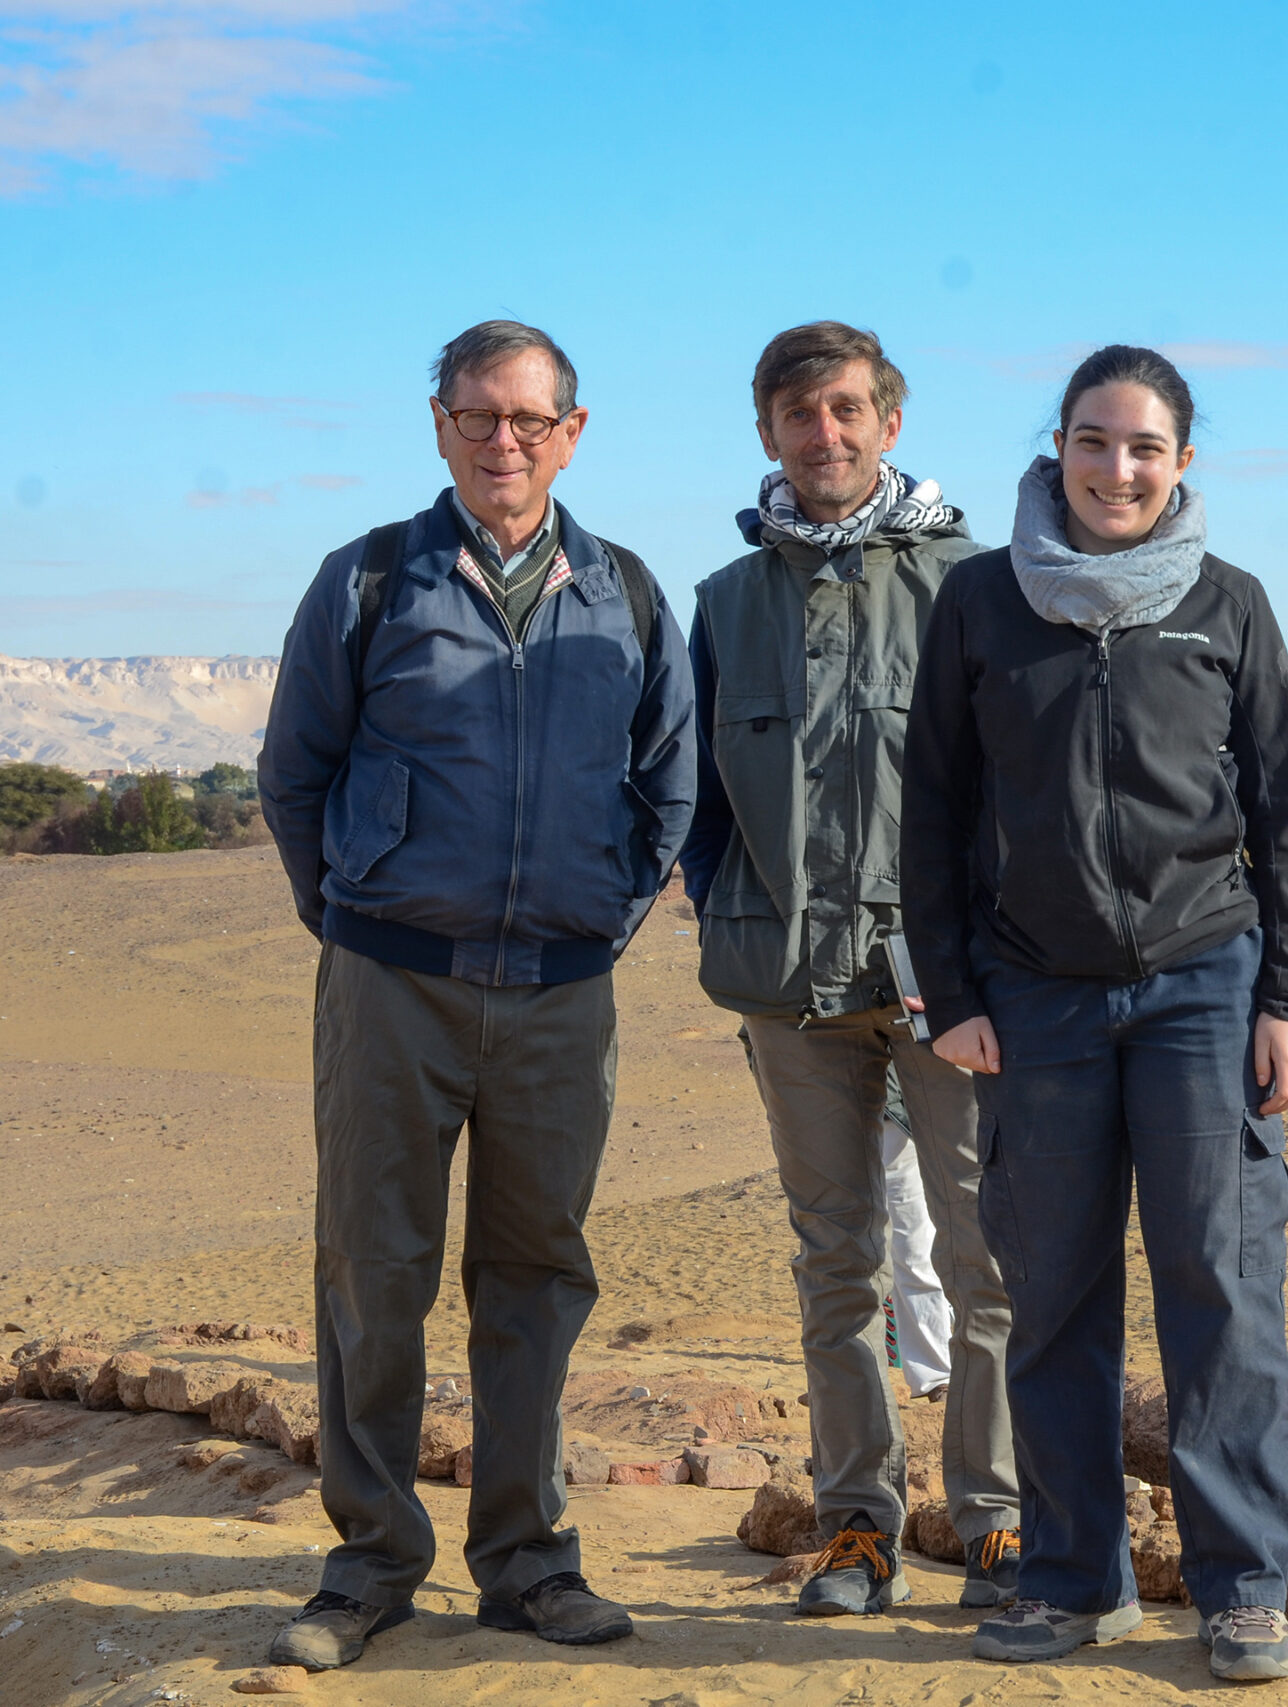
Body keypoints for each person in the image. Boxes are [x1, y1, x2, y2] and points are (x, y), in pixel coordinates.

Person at [256, 321, 694, 1669]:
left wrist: (596, 921)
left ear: (573, 430)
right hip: (394, 984)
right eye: (477, 415)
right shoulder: (370, 579)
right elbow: (294, 772)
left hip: (563, 996)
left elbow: (667, 783)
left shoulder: (622, 589)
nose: (503, 439)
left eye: (529, 417)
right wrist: (356, 918)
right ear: (439, 424)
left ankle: (528, 1562)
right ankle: (370, 1562)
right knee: (373, 1271)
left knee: (536, 1277)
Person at [901, 345, 1288, 1682]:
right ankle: (1076, 1575)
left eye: (1145, 447)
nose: (1117, 468)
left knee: (1220, 1289)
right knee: (1058, 1293)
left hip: (1205, 979)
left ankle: (1244, 1585)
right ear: (1059, 445)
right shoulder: (981, 600)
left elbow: (1286, 816)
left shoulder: (1228, 604)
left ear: (1183, 461)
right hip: (1037, 997)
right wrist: (956, 991)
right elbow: (932, 813)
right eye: (1094, 441)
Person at [680, 322, 1018, 1616]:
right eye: (800, 414)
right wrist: (719, 901)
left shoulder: (976, 583)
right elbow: (695, 791)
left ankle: (992, 1522)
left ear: (889, 420)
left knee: (989, 1259)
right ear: (767, 432)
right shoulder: (724, 600)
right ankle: (858, 1528)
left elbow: (1020, 785)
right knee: (839, 1265)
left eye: (848, 409)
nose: (826, 434)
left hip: (955, 988)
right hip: (791, 993)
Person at [880, 1067, 956, 1401]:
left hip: (893, 1114)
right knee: (833, 1251)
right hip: (824, 1115)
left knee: (913, 1246)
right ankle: (839, 1379)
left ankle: (937, 1375)